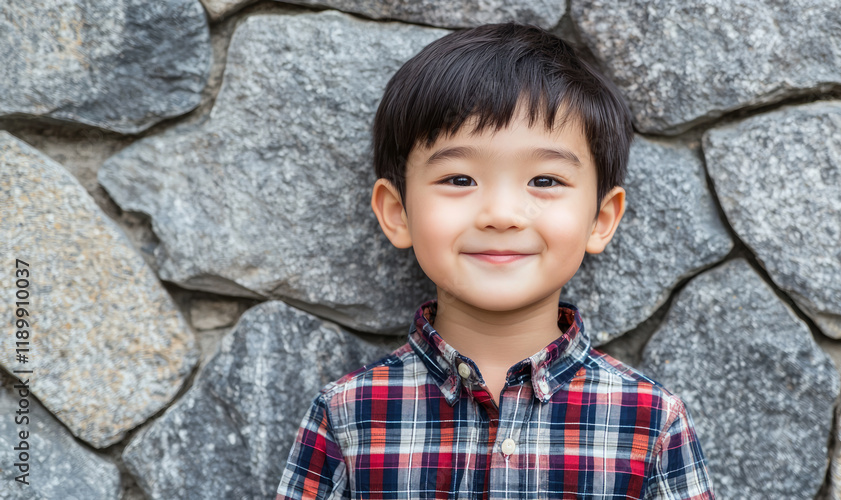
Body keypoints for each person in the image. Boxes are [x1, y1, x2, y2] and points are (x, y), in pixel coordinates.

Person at [275, 21, 715, 500]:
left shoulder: (652, 421)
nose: (502, 215)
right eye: (460, 179)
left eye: (545, 180)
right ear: (397, 212)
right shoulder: (348, 416)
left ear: (600, 219)